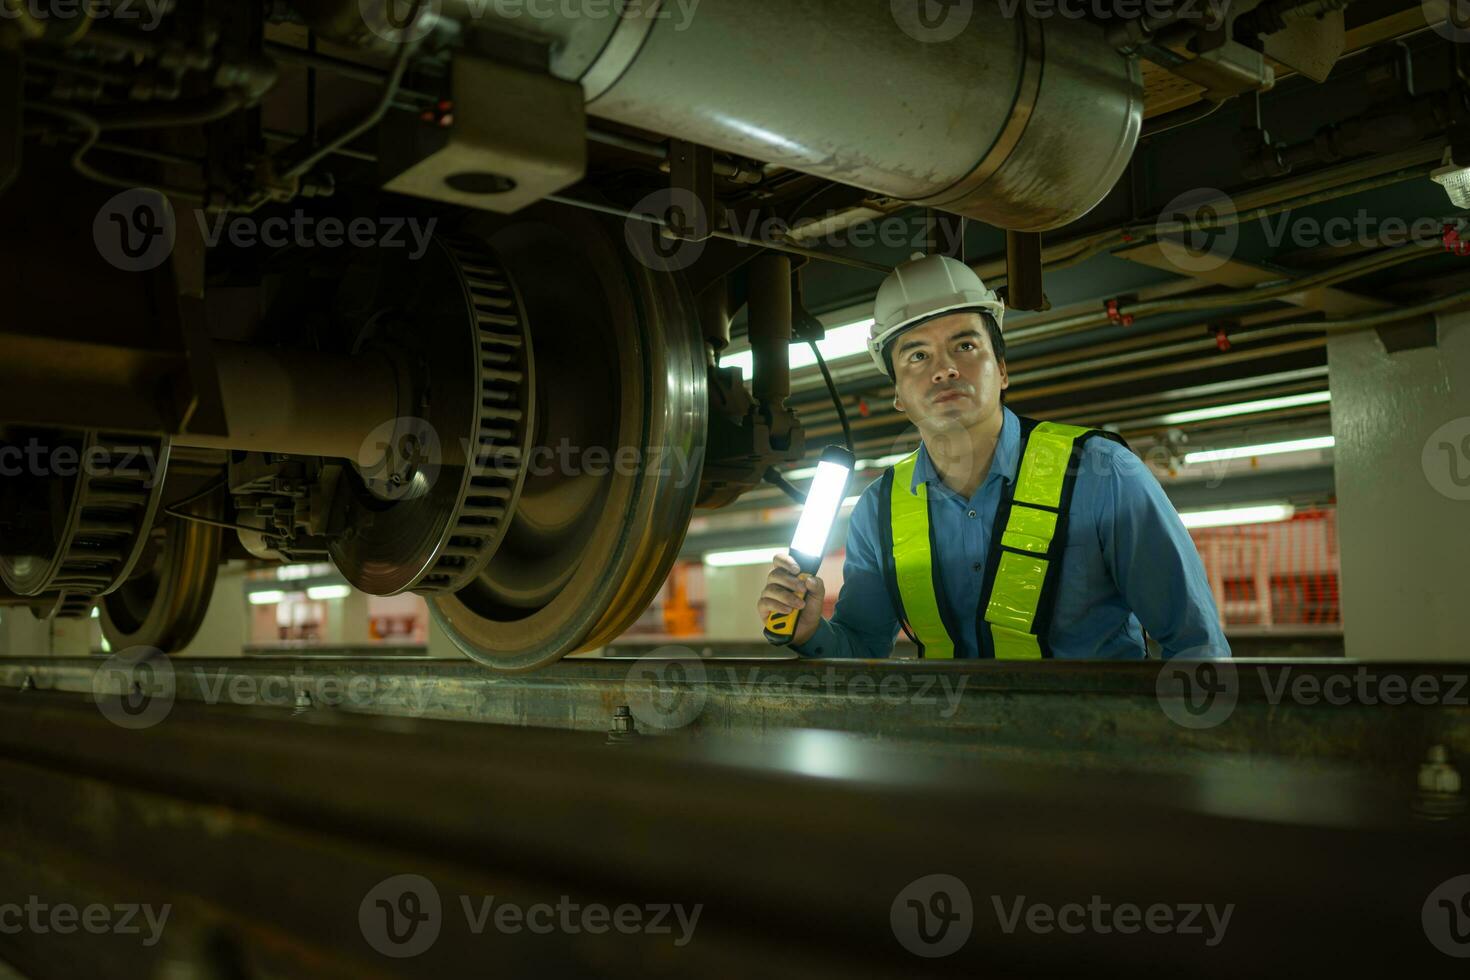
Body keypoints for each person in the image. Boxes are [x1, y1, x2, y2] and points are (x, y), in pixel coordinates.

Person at [756, 253, 1230, 660]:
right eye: (916, 356)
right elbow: (861, 649)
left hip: (1099, 754)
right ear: (898, 394)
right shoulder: (878, 511)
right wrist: (812, 631)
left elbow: (1195, 646)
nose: (943, 369)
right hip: (957, 760)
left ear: (1001, 370)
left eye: (965, 345)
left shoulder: (1101, 474)